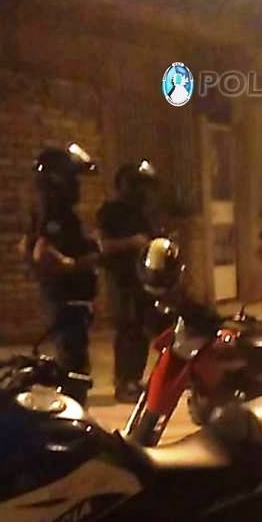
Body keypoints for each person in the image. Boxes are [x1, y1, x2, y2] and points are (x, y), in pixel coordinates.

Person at [24, 144, 99, 379]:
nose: (77, 185)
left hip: (68, 300)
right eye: (73, 178)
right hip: (67, 300)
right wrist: (75, 264)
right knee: (74, 369)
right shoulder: (55, 213)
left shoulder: (47, 211)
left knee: (74, 360)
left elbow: (25, 247)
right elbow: (40, 252)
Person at [96, 160, 159, 403]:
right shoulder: (111, 211)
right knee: (127, 330)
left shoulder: (142, 212)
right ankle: (123, 381)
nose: (140, 190)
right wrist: (131, 243)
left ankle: (134, 379)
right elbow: (102, 245)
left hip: (143, 279)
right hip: (121, 279)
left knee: (141, 331)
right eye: (134, 184)